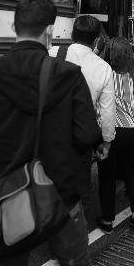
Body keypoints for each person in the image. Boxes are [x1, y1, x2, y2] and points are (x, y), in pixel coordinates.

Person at [0, 0, 101, 266]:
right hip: (62, 192)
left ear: (14, 27)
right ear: (49, 31)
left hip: (6, 194)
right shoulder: (69, 74)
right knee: (75, 264)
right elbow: (88, 136)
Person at [49, 16, 116, 218]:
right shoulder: (103, 67)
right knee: (80, 187)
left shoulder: (51, 53)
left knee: (48, 182)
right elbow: (107, 110)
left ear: (71, 34)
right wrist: (107, 142)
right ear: (96, 40)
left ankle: (49, 226)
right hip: (80, 136)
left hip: (49, 133)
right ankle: (76, 234)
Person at [96, 37, 134, 232]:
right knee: (132, 173)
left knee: (107, 177)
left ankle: (108, 220)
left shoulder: (105, 74)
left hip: (112, 130)